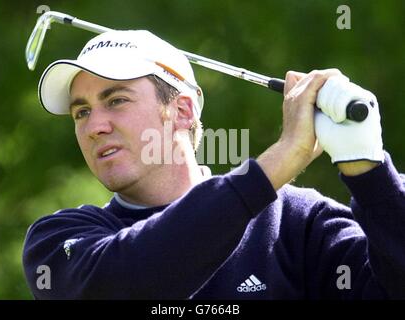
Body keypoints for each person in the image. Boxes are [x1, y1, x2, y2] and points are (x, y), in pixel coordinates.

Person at [22, 29, 405, 299]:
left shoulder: (297, 221)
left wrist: (372, 176)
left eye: (116, 100)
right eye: (81, 112)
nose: (94, 127)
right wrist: (285, 155)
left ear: (182, 110)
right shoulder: (59, 240)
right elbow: (128, 280)